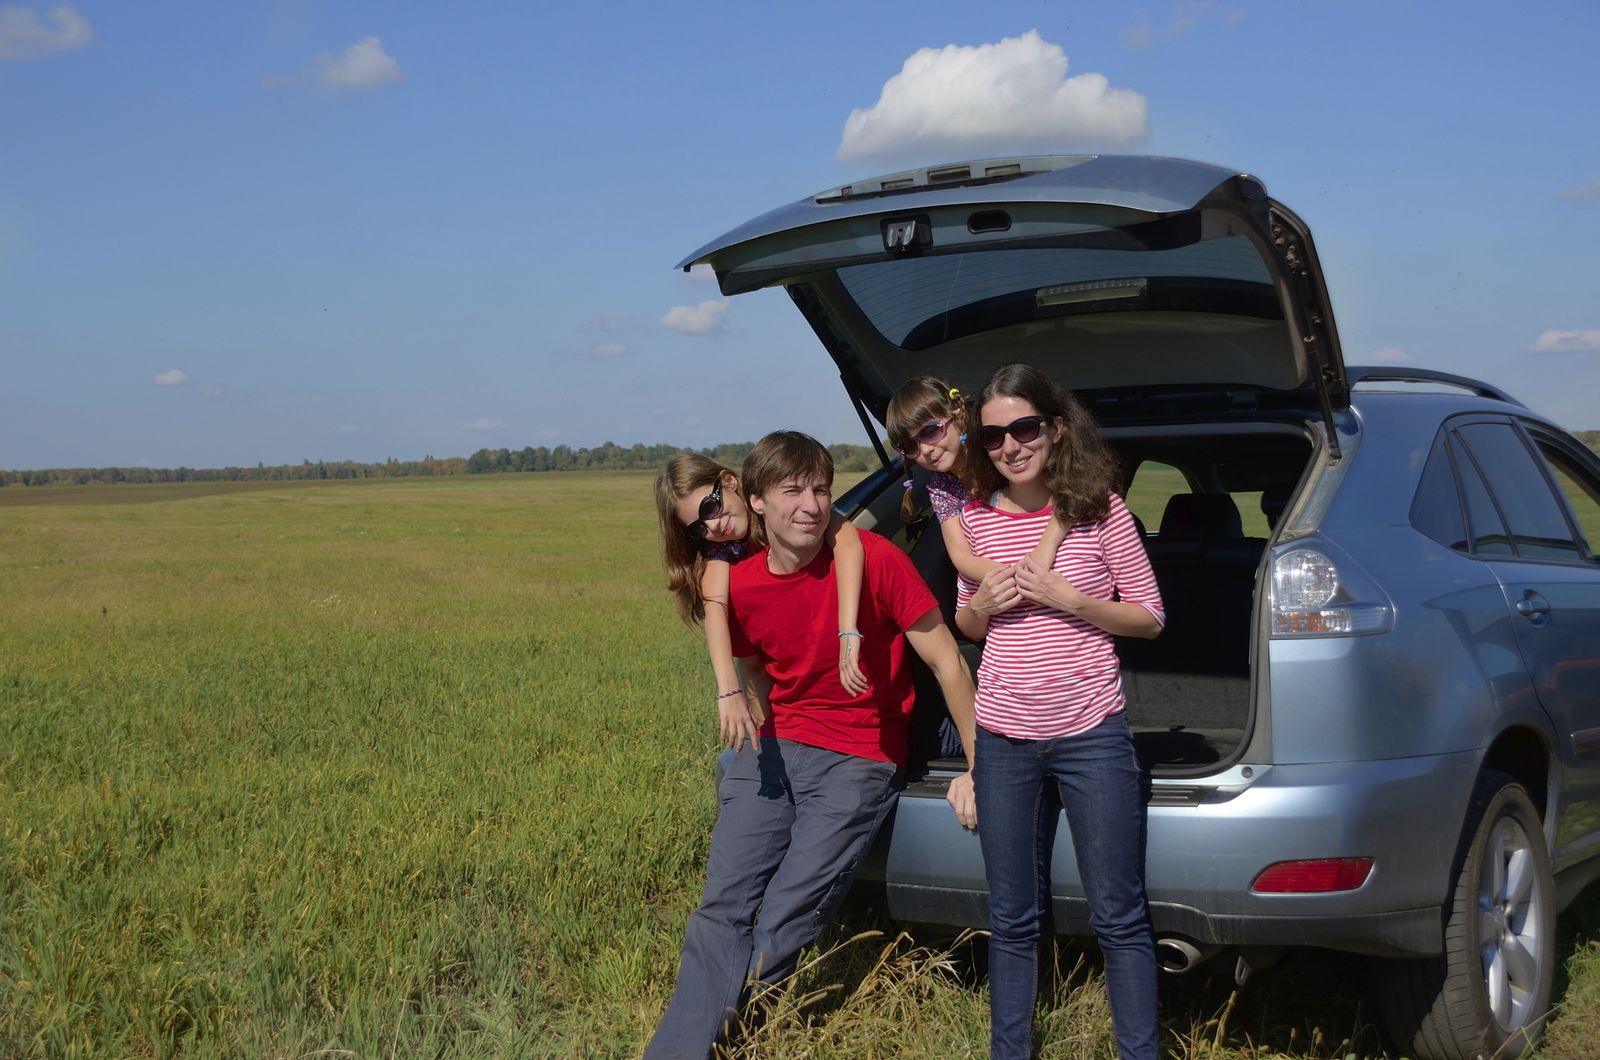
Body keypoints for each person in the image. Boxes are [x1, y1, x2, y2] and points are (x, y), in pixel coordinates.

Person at [646, 431, 978, 1059]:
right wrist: (753, 735)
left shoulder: (873, 556)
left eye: (821, 489)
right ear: (760, 501)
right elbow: (758, 675)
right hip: (774, 749)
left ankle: (732, 1036)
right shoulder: (737, 583)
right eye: (793, 491)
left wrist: (979, 765)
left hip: (858, 754)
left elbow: (950, 667)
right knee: (722, 908)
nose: (811, 504)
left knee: (784, 914)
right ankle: (678, 1052)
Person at [953, 363, 1165, 1060]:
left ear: (1056, 428)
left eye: (1023, 428)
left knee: (1119, 919)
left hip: (1090, 733)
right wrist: (979, 608)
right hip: (1005, 740)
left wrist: (1073, 601)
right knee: (1011, 921)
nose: (1010, 446)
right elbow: (971, 626)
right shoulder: (975, 524)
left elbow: (1150, 617)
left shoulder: (1102, 512)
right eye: (993, 437)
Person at [655, 453, 869, 751]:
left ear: (729, 481)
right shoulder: (723, 552)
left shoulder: (787, 511)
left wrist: (847, 629)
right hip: (773, 678)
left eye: (711, 507)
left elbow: (847, 542)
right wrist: (729, 693)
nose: (714, 526)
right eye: (698, 528)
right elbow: (714, 608)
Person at [886, 376, 1068, 583]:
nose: (925, 450)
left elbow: (1070, 493)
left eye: (930, 431)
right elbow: (962, 557)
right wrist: (1018, 576)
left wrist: (1045, 550)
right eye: (910, 446)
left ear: (959, 417)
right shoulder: (941, 488)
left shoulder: (997, 449)